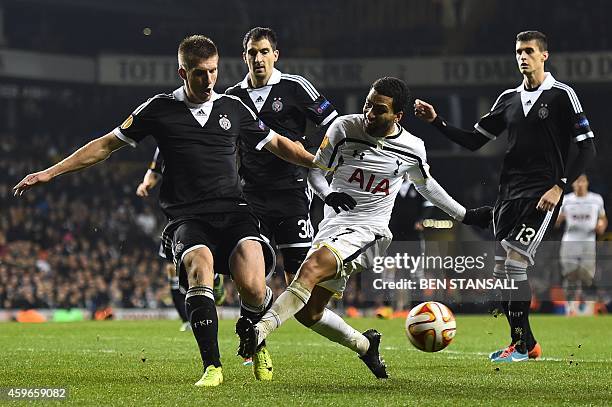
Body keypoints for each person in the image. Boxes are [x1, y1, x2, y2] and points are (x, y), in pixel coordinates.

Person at [13, 35, 316, 387]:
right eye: (200, 73)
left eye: (214, 72)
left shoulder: (233, 108)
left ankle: (253, 336)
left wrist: (319, 163)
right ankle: (212, 367)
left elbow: (279, 144)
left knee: (253, 285)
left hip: (235, 212)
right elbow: (105, 145)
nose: (209, 80)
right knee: (199, 271)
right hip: (189, 217)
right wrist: (50, 172)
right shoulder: (159, 109)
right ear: (182, 72)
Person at [235, 77, 492, 378]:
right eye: (368, 104)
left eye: (379, 109)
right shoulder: (343, 128)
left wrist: (465, 215)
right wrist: (328, 193)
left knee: (310, 270)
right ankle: (365, 345)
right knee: (309, 313)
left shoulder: (412, 148)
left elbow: (428, 187)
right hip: (332, 226)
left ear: (398, 116)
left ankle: (260, 329)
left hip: (370, 231)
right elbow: (317, 172)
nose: (370, 112)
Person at [414, 31, 597, 361]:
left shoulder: (561, 95)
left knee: (514, 265)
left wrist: (560, 186)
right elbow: (473, 141)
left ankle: (523, 346)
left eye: (529, 51)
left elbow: (587, 146)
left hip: (542, 196)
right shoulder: (509, 99)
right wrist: (437, 121)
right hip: (509, 196)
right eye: (518, 52)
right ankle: (526, 342)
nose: (522, 57)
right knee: (503, 272)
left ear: (544, 55)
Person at [226, 27, 338, 285]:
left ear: (275, 55)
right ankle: (254, 323)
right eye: (252, 53)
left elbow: (335, 125)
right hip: (251, 194)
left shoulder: (294, 86)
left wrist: (309, 146)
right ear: (244, 57)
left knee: (297, 277)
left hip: (292, 190)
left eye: (264, 52)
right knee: (251, 272)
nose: (258, 58)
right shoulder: (233, 97)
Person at [136, 148, 226, 332]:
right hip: (175, 215)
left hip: (205, 209)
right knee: (171, 269)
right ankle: (185, 319)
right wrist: (146, 184)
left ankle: (215, 278)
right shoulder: (165, 141)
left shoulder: (203, 136)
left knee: (202, 259)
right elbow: (154, 169)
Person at [555, 174, 607, 313]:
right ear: (573, 184)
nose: (579, 184)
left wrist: (601, 225)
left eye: (582, 181)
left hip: (588, 241)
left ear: (587, 183)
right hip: (570, 241)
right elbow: (555, 222)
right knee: (569, 274)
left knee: (587, 277)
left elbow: (603, 218)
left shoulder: (596, 199)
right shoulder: (566, 200)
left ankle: (588, 305)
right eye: (577, 181)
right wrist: (559, 218)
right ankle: (570, 306)